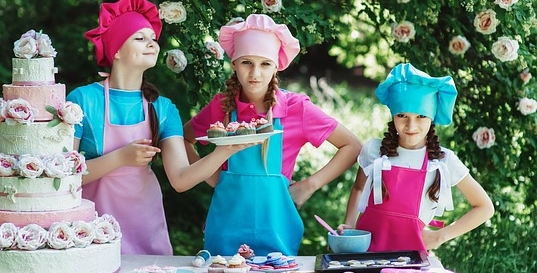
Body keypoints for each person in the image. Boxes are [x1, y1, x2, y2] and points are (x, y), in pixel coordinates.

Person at [67, 0, 252, 255]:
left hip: (144, 225)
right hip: (91, 229)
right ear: (116, 50)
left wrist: (226, 150)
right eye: (140, 38)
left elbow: (180, 179)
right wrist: (121, 157)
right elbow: (62, 177)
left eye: (153, 39)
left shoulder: (163, 108)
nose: (152, 43)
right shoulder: (82, 100)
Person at [183, 14, 363, 256]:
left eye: (265, 64)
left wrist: (309, 186)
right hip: (225, 228)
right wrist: (210, 174)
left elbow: (352, 146)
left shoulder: (296, 108)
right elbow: (183, 138)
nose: (255, 73)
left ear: (276, 66)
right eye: (247, 62)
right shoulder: (221, 107)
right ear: (234, 64)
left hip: (277, 230)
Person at [337, 63, 494, 254]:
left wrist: (440, 236)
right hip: (365, 254)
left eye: (421, 116)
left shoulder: (444, 161)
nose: (411, 125)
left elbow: (485, 207)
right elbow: (359, 188)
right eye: (402, 115)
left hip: (410, 259)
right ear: (393, 116)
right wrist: (350, 227)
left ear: (432, 117)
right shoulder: (373, 150)